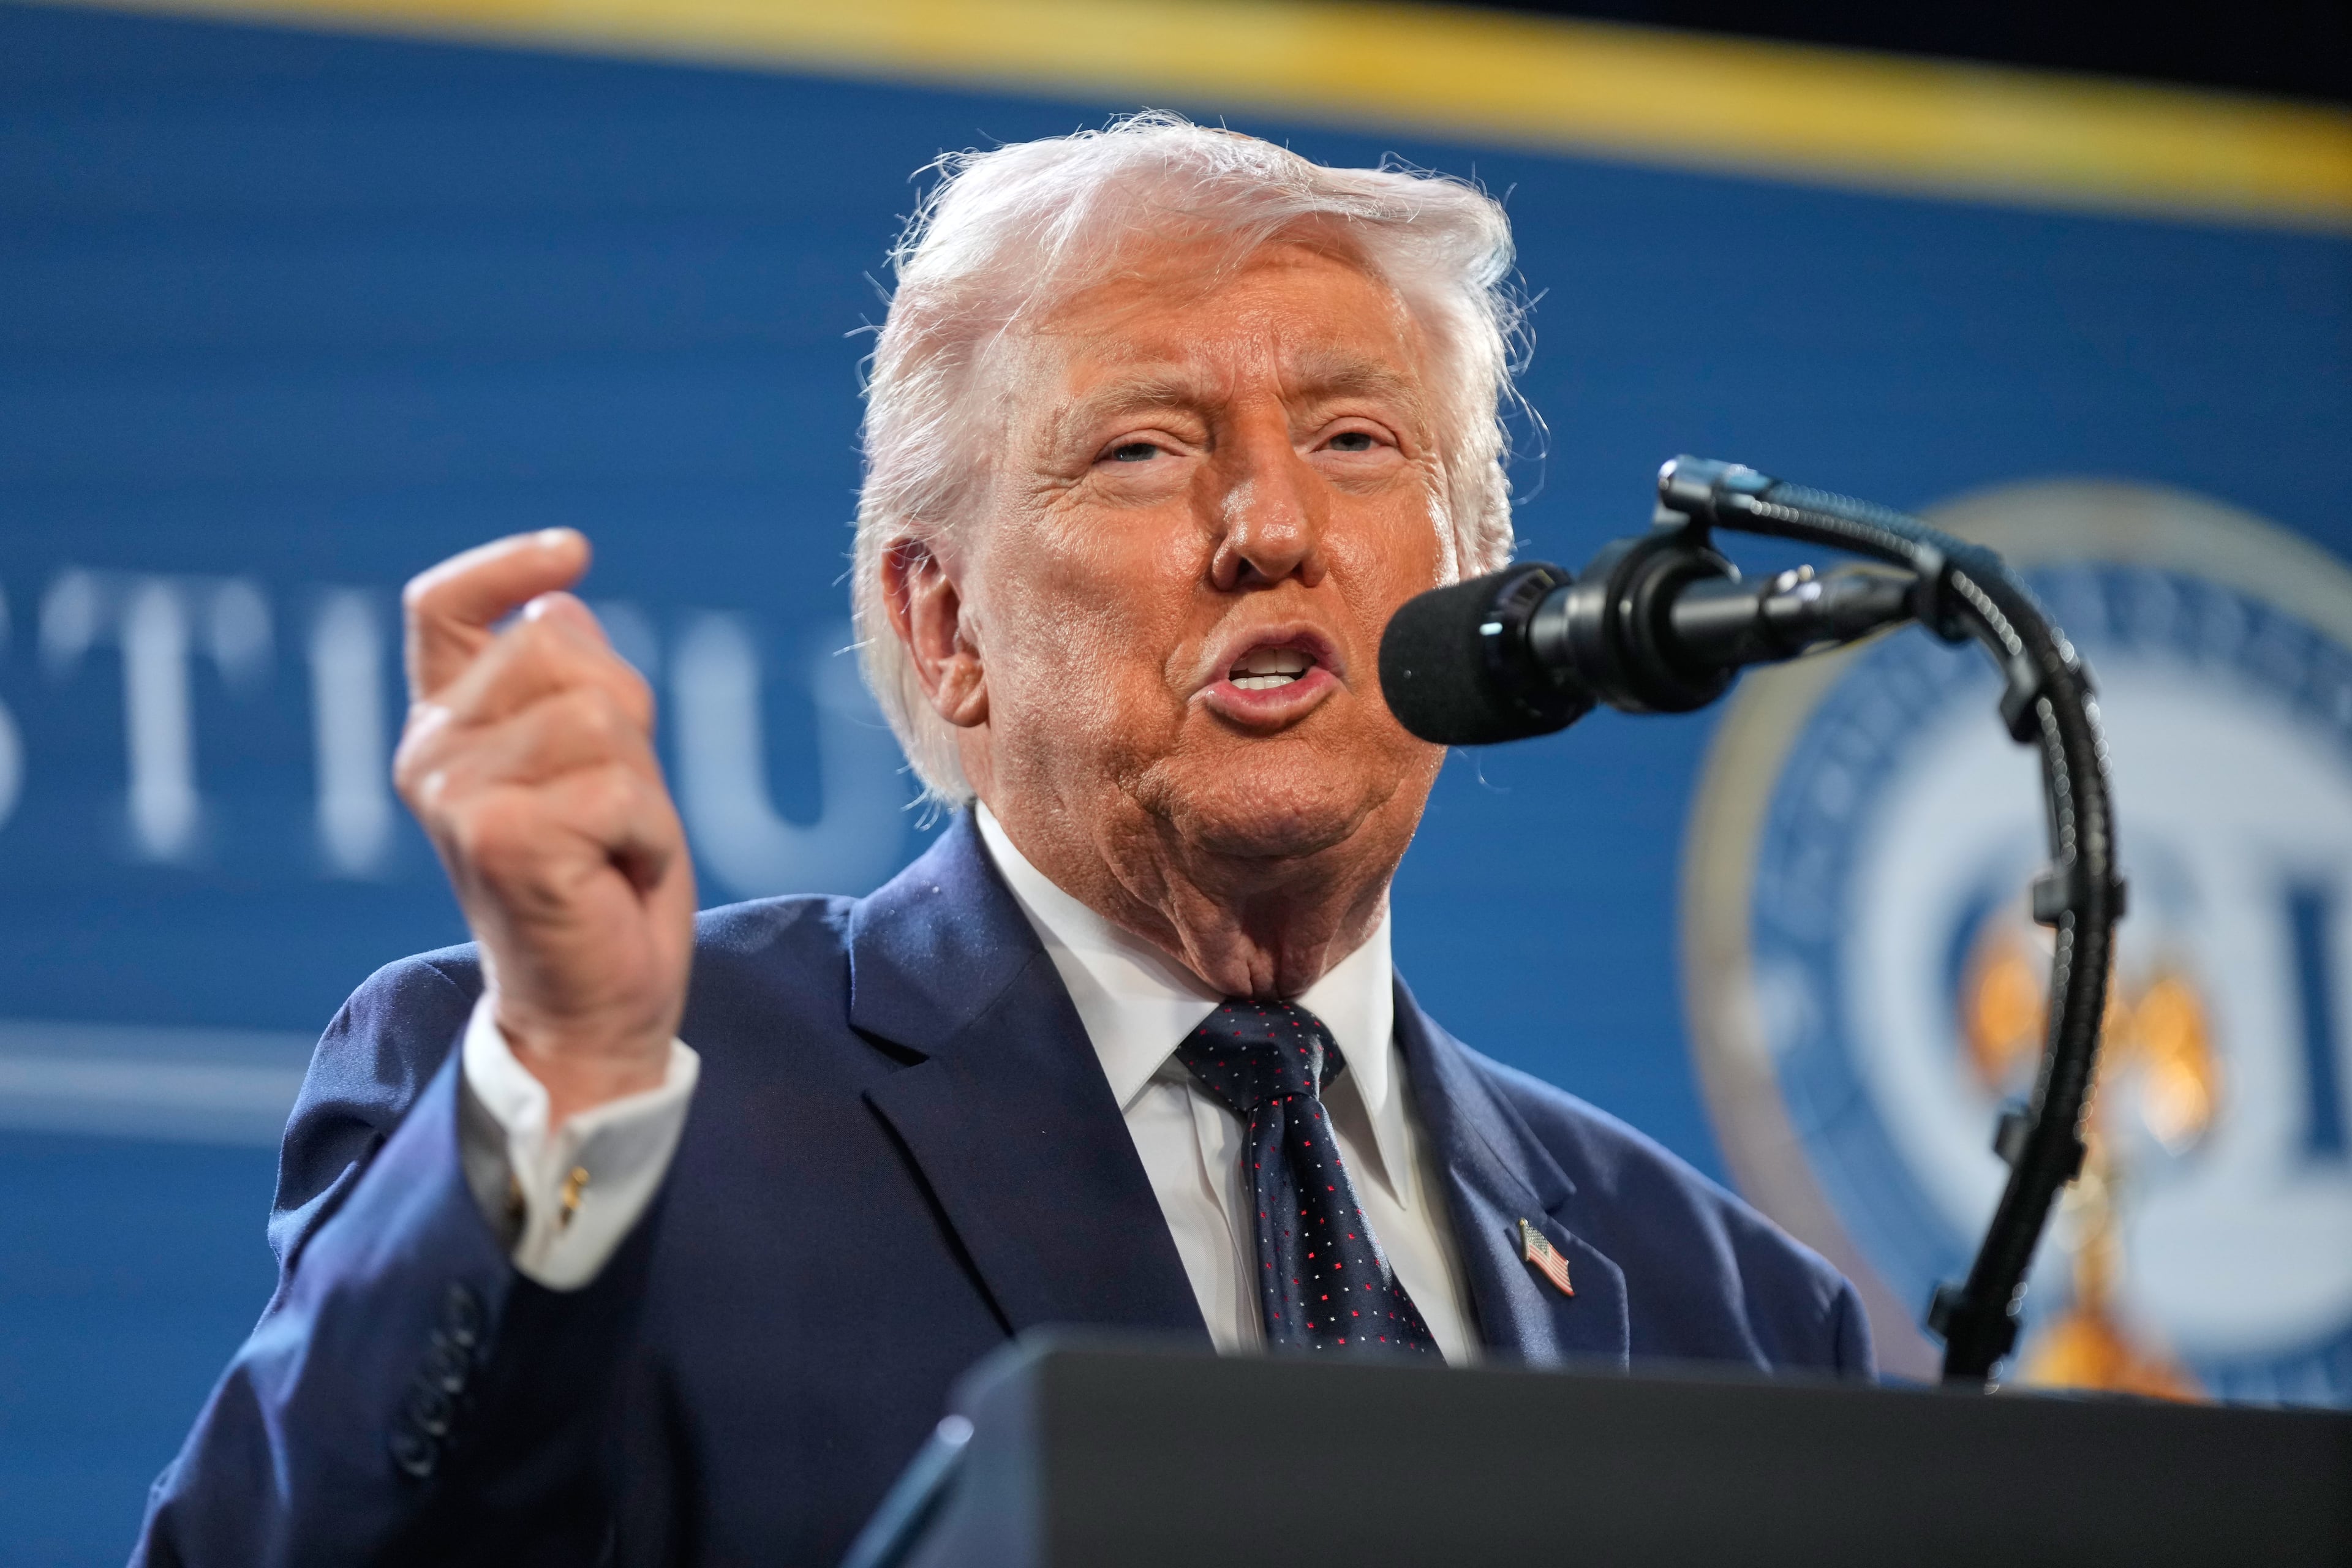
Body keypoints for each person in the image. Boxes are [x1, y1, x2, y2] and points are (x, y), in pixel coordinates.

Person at [132, 114, 1870, 1567]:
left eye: (1355, 441)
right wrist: (569, 1075)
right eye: (1141, 448)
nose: (1272, 525)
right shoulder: (598, 1110)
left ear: (1472, 579)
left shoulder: (1737, 1314)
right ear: (944, 622)